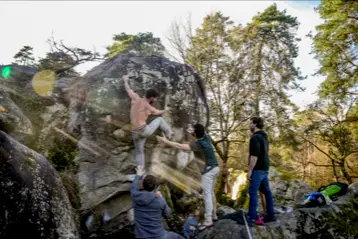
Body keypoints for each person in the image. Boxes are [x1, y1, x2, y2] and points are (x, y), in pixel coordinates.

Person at [156, 123, 219, 231]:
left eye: (193, 130)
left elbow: (180, 146)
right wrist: (193, 131)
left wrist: (166, 142)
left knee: (207, 194)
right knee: (211, 192)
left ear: (195, 134)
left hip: (208, 172)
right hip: (216, 168)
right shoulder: (206, 137)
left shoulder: (199, 144)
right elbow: (200, 131)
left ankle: (208, 220)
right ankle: (214, 215)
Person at [123, 75, 172, 173]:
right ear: (152, 98)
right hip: (144, 130)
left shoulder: (135, 98)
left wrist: (125, 80)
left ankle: (140, 173)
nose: (156, 100)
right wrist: (166, 109)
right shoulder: (148, 106)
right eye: (155, 98)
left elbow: (128, 89)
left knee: (139, 153)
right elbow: (158, 112)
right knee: (160, 120)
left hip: (134, 133)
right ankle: (169, 134)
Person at [237, 116, 275, 226]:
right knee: (266, 192)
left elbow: (254, 156)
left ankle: (252, 218)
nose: (249, 125)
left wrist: (250, 171)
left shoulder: (255, 138)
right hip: (265, 168)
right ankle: (270, 215)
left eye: (250, 123)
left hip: (258, 169)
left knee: (253, 192)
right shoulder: (264, 137)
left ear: (255, 124)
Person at [131, 168, 184, 239]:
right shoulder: (159, 200)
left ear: (142, 186)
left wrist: (138, 175)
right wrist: (162, 198)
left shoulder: (135, 196)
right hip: (159, 236)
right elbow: (168, 214)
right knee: (178, 237)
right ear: (155, 187)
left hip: (141, 236)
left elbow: (134, 187)